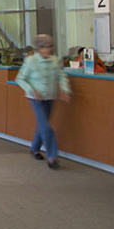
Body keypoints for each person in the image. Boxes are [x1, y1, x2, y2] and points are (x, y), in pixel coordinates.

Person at [16, 34, 71, 169]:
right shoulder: (31, 61)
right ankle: (52, 156)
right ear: (39, 48)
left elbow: (61, 76)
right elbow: (20, 79)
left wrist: (65, 90)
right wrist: (32, 89)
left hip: (50, 97)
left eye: (51, 46)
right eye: (47, 47)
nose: (50, 49)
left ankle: (34, 148)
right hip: (36, 99)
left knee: (42, 125)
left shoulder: (54, 60)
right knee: (46, 127)